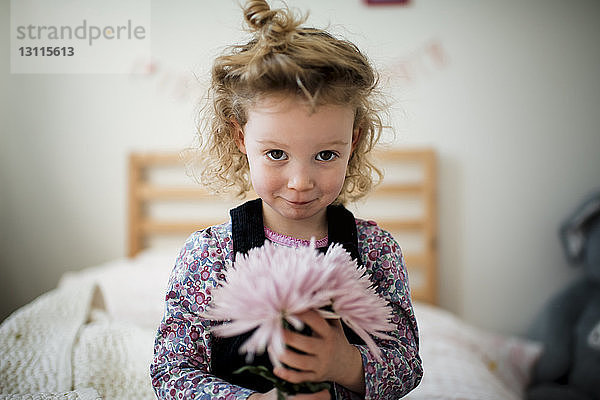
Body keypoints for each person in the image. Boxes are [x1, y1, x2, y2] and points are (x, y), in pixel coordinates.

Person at [150, 1, 423, 399]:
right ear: (240, 138)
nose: (300, 183)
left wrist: (345, 363)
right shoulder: (208, 255)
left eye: (325, 155)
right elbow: (171, 371)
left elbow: (407, 365)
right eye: (276, 154)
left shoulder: (377, 251)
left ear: (354, 140)